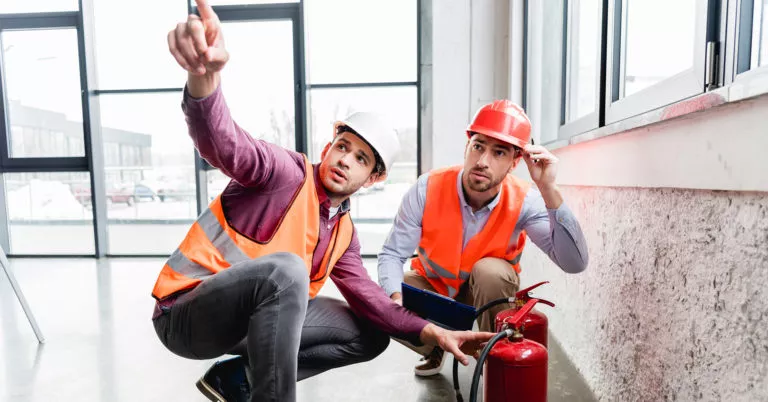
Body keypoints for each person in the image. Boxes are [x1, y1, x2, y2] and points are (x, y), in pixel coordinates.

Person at [152, 1, 495, 401]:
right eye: (343, 147)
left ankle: (239, 378)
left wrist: (432, 331)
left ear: (373, 178)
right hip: (186, 315)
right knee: (287, 269)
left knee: (371, 333)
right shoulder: (282, 172)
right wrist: (203, 80)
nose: (346, 160)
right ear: (329, 145)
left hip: (247, 325)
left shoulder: (343, 234)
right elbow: (224, 144)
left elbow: (371, 300)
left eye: (361, 159)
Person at [377, 100, 589, 376]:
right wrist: (394, 300)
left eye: (499, 152)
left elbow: (574, 263)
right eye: (478, 146)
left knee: (491, 272)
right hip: (436, 291)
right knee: (391, 292)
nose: (482, 162)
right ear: (467, 146)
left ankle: (493, 358)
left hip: (487, 296)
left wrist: (548, 189)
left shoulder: (526, 199)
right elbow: (392, 255)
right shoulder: (427, 188)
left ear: (515, 163)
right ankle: (437, 344)